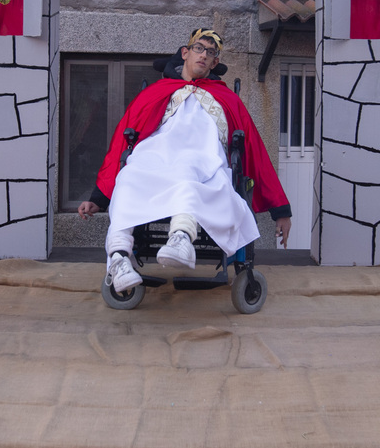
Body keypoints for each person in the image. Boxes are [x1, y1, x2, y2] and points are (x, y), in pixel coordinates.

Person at [78, 28, 292, 292]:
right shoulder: (155, 92)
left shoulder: (228, 98)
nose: (203, 55)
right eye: (199, 48)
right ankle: (119, 259)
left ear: (215, 63)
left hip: (203, 160)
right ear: (186, 52)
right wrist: (98, 198)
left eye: (211, 53)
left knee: (189, 169)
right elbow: (121, 144)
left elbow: (255, 151)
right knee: (129, 176)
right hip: (153, 159)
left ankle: (181, 238)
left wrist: (280, 210)